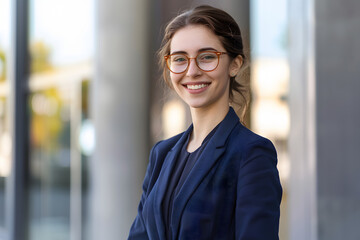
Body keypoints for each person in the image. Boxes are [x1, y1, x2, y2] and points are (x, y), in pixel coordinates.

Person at [128, 5, 282, 240]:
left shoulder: (252, 153)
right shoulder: (161, 154)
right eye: (180, 59)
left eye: (207, 57)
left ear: (235, 64)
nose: (192, 71)